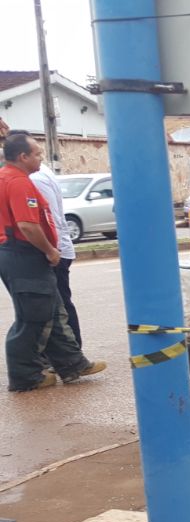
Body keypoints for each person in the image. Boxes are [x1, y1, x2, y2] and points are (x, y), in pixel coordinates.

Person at [0, 133, 105, 391]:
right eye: (36, 153)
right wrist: (50, 251)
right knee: (33, 316)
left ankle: (72, 363)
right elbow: (27, 225)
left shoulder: (8, 178)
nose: (40, 157)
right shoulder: (18, 182)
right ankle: (26, 376)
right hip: (24, 254)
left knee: (53, 310)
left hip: (19, 254)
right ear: (22, 157)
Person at [29, 155, 80, 344]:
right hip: (55, 247)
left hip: (54, 250)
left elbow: (46, 217)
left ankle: (73, 354)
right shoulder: (38, 174)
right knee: (57, 305)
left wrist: (50, 249)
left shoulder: (35, 178)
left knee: (59, 306)